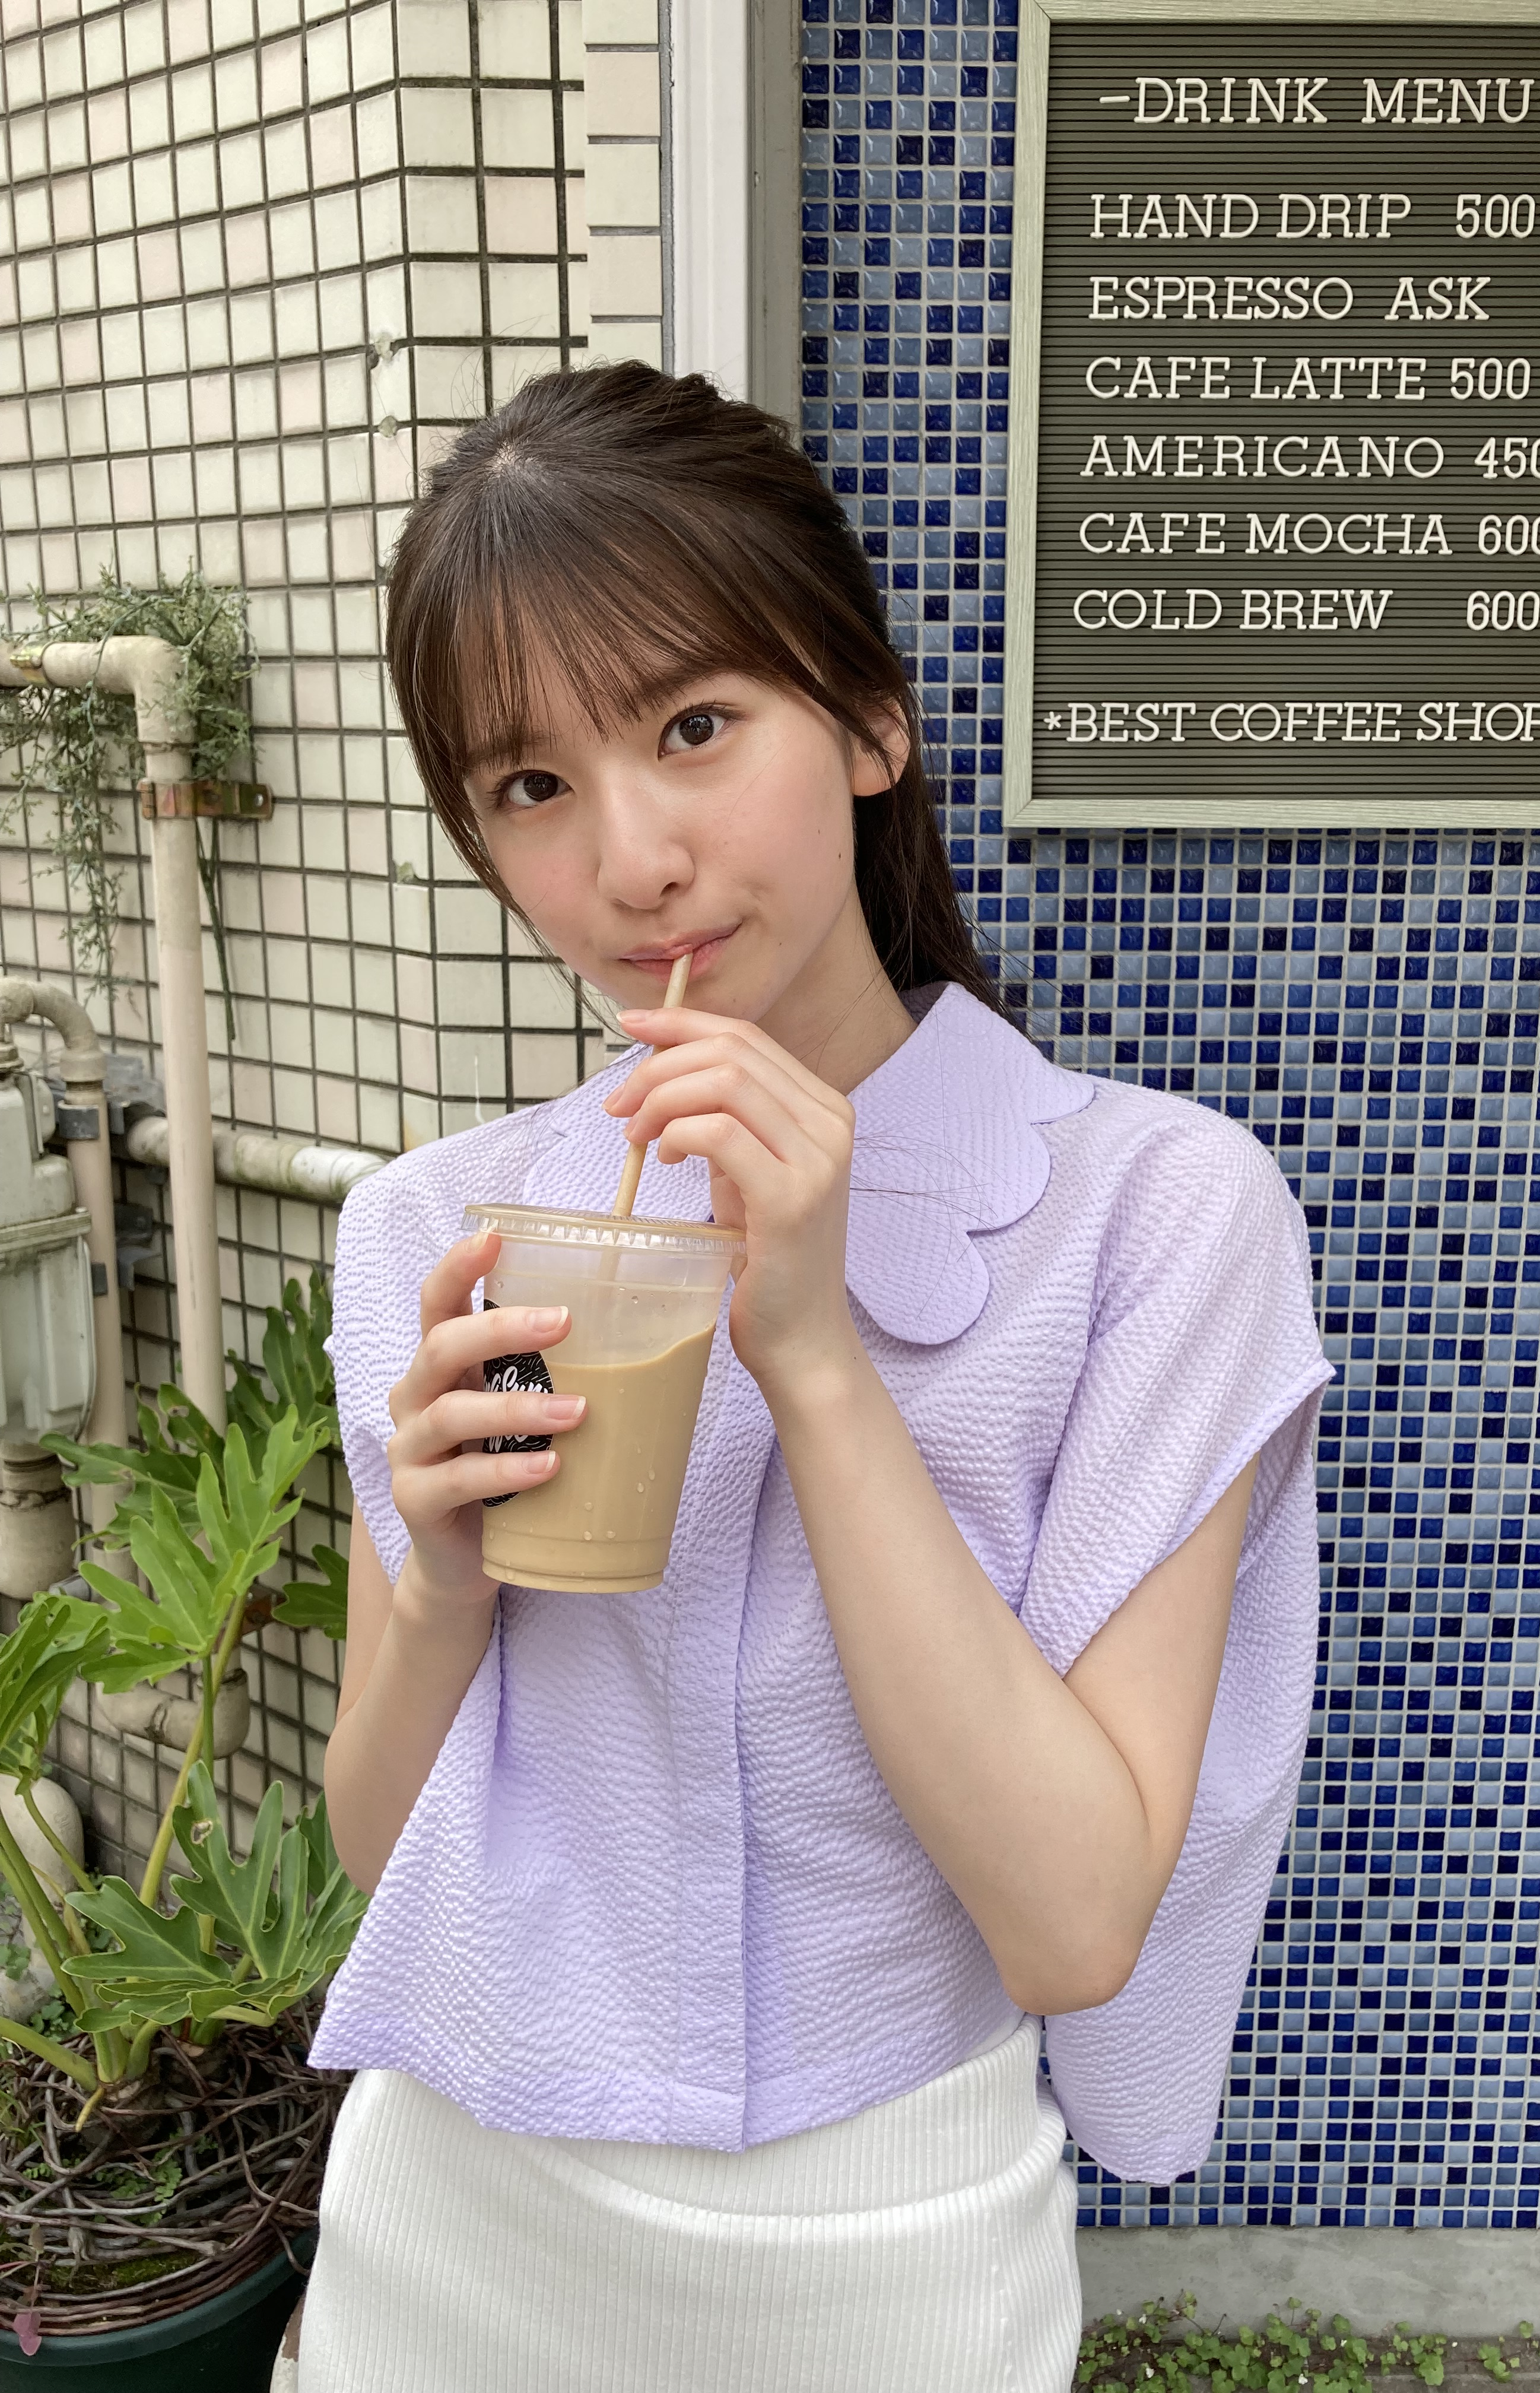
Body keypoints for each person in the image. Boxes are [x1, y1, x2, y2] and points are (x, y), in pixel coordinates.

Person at [297, 363, 1331, 2393]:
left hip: (892, 2250)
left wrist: (822, 1364)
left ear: (869, 720)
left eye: (694, 727)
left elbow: (1072, 1926)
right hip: (454, 2229)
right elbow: (377, 1850)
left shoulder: (1153, 1216)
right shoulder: (437, 1230)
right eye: (531, 787)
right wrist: (439, 1592)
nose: (633, 860)